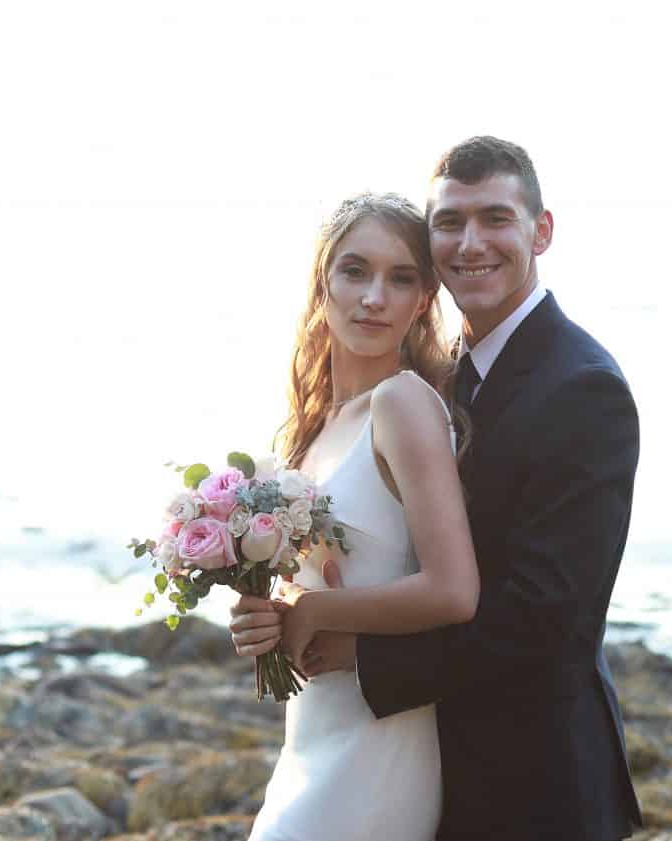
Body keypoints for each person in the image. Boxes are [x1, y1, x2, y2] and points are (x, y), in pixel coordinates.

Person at [233, 137, 644, 841]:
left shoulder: (583, 389)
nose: (470, 241)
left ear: (541, 231)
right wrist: (274, 610)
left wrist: (354, 646)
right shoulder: (441, 378)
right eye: (449, 222)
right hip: (408, 751)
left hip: (533, 782)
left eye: (495, 218)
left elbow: (548, 620)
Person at [244, 192, 479, 841]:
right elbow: (315, 580)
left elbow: (455, 589)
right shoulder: (311, 427)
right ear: (322, 284)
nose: (375, 295)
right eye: (355, 271)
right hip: (312, 730)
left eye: (400, 278)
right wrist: (266, 615)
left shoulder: (402, 404)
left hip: (381, 744)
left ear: (422, 301)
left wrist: (317, 615)